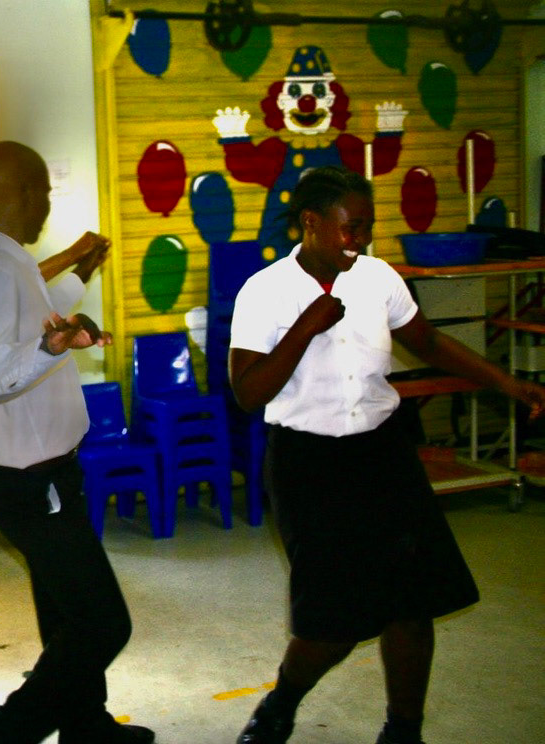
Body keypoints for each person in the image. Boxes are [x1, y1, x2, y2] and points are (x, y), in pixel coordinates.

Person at [227, 165, 545, 744]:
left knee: (411, 601)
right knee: (333, 621)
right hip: (308, 464)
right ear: (311, 223)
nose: (360, 240)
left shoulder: (378, 279)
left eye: (367, 228)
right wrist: (305, 328)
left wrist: (504, 382)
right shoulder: (264, 291)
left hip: (382, 453)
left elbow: (428, 341)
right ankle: (281, 703)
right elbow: (248, 393)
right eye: (350, 228)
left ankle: (403, 730)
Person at [0, 140, 154, 744]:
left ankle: (85, 726)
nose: (46, 204)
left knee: (66, 612)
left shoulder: (6, 261)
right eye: (42, 191)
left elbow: (31, 318)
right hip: (30, 479)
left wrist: (76, 287)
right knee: (102, 623)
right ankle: (11, 732)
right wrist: (51, 346)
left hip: (34, 472)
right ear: (19, 193)